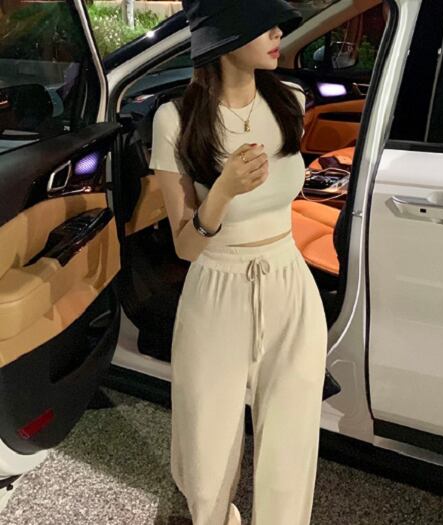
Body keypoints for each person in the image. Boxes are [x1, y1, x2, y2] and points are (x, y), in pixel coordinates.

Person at [148, 1, 328, 523]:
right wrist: (223, 192)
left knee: (290, 448)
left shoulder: (290, 99)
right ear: (224, 37)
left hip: (289, 281)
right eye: (261, 23)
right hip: (216, 289)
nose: (277, 33)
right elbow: (185, 245)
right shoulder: (175, 119)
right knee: (206, 454)